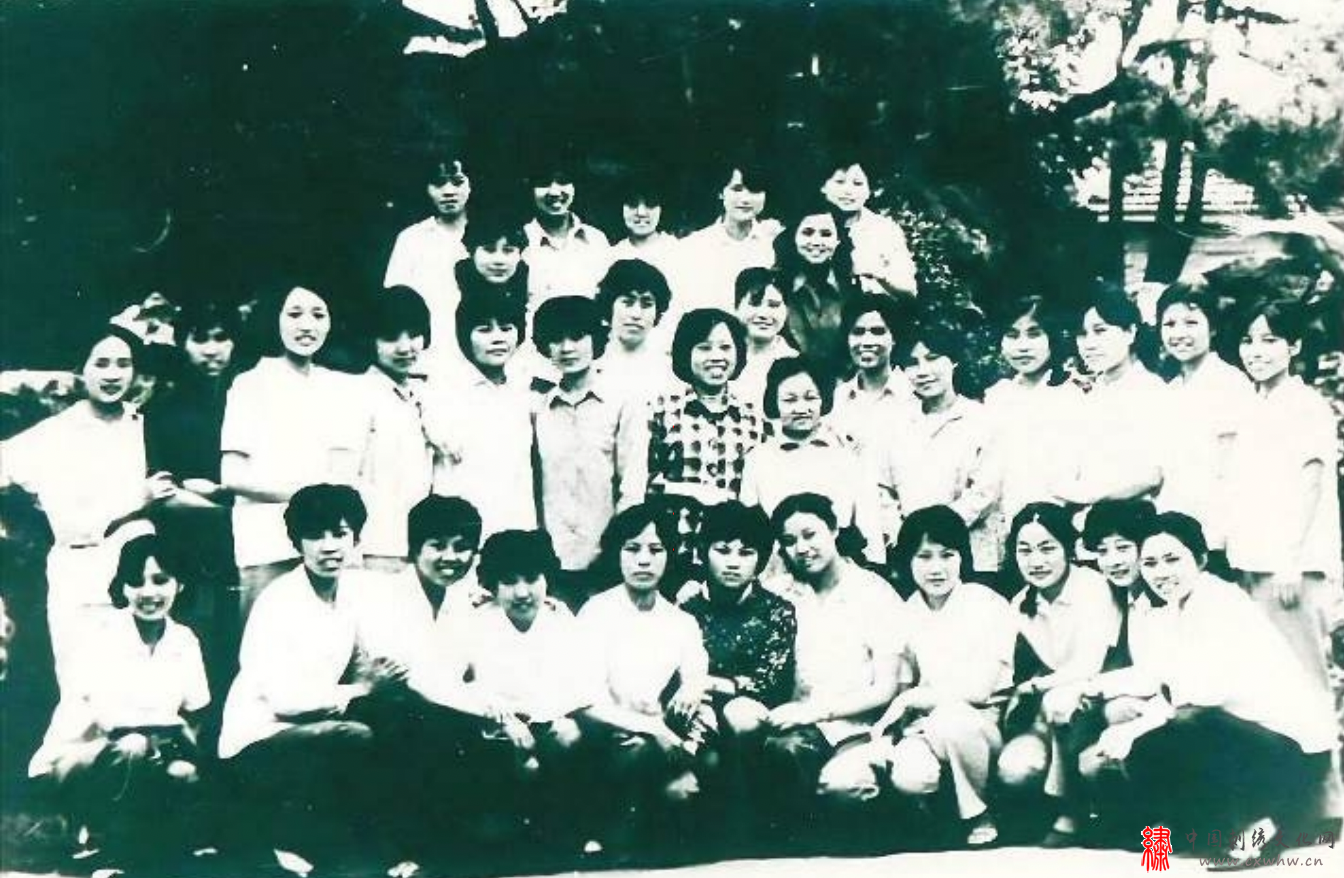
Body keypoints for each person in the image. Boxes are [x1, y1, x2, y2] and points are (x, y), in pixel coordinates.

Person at [1073, 513, 1336, 862]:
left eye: (1172, 559)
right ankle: (1200, 828)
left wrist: (1130, 731)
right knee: (1157, 739)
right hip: (1244, 738)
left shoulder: (1220, 602)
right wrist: (1090, 687)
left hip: (1292, 751)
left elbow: (1204, 695)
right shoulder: (1175, 607)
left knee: (1184, 726)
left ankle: (1260, 824)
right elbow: (1156, 674)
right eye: (1150, 563)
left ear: (1199, 559)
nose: (1161, 572)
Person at [218, 485, 395, 871]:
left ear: (356, 538)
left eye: (340, 533)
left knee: (395, 717)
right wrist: (362, 688)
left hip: (311, 731)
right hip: (259, 741)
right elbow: (285, 700)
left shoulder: (349, 595)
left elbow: (375, 656)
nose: (329, 546)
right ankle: (349, 859)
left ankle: (395, 852)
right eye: (315, 535)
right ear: (297, 542)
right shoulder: (279, 600)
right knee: (353, 735)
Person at [0, 325, 173, 686]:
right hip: (82, 578)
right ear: (81, 368)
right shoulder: (57, 433)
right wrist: (137, 497)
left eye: (123, 364)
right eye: (102, 363)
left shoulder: (142, 425)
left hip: (140, 583)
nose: (113, 374)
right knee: (84, 692)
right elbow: (73, 525)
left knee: (141, 686)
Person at [28, 534, 210, 868]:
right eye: (135, 581)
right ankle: (96, 838)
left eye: (160, 580)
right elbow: (112, 722)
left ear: (180, 584)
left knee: (182, 770)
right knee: (131, 745)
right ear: (122, 588)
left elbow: (195, 713)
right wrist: (174, 726)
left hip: (147, 757)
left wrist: (182, 753)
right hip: (76, 761)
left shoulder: (184, 640)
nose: (148, 593)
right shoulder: (102, 634)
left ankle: (144, 845)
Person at [414, 529, 591, 845]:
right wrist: (489, 706)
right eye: (509, 581)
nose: (522, 592)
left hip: (546, 727)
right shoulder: (475, 621)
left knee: (569, 734)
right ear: (493, 585)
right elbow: (436, 680)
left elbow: (579, 684)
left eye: (532, 579)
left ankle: (557, 833)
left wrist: (538, 717)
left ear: (547, 578)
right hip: (490, 734)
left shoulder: (560, 619)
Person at [853, 506, 1016, 848]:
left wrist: (912, 698)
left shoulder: (987, 604)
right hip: (925, 724)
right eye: (924, 557)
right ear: (908, 561)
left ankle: (980, 812)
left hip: (982, 723)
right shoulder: (905, 612)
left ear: (962, 557)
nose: (936, 568)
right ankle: (937, 819)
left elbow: (979, 689)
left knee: (951, 721)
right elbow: (905, 682)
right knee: (911, 776)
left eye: (947, 555)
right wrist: (896, 723)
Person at [756, 494, 909, 831]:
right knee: (784, 752)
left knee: (845, 789)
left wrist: (817, 712)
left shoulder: (874, 592)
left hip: (861, 727)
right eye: (789, 541)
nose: (802, 548)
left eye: (810, 534)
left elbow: (885, 688)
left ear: (834, 529)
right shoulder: (778, 592)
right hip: (800, 729)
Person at [220, 284, 362, 621]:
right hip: (266, 541)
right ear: (275, 319)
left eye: (318, 315)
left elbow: (343, 470)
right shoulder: (250, 383)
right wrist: (306, 498)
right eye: (295, 314)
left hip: (325, 542)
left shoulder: (338, 387)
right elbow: (233, 475)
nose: (307, 326)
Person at [576, 505, 711, 850]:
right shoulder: (596, 612)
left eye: (656, 549)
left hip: (658, 735)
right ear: (617, 554)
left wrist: (693, 686)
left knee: (688, 788)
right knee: (637, 751)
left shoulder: (680, 621)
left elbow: (697, 670)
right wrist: (652, 729)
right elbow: (586, 702)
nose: (644, 561)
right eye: (632, 549)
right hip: (603, 738)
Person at [1224, 298, 1342, 691]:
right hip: (1254, 562)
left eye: (1269, 340)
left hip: (1292, 567)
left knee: (1306, 677)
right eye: (1248, 340)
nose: (1255, 351)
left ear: (1294, 346)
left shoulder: (1304, 405)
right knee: (1269, 682)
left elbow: (1311, 484)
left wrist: (1289, 562)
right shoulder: (1251, 405)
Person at [994, 503, 1122, 845]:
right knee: (1015, 768)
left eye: (1047, 548)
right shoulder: (1021, 602)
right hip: (1057, 704)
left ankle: (1071, 812)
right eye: (1025, 550)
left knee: (1059, 701)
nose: (1036, 561)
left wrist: (1034, 686)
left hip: (1103, 691)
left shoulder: (1093, 587)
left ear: (1069, 548)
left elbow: (1089, 665)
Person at [675, 501, 796, 840]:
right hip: (695, 711)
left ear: (761, 559)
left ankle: (748, 824)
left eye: (746, 553)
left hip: (751, 716)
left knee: (740, 714)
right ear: (704, 551)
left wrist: (707, 683)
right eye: (723, 550)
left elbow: (767, 681)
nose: (733, 562)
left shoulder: (777, 610)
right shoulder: (686, 607)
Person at [143, 302, 242, 699]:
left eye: (221, 338)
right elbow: (164, 494)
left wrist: (222, 493)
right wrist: (229, 508)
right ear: (182, 343)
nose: (212, 349)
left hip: (246, 547)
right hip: (187, 551)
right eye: (200, 339)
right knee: (196, 652)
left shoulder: (249, 399)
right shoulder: (162, 409)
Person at [530, 296, 644, 598]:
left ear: (596, 339)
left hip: (604, 560)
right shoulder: (538, 408)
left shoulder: (622, 403)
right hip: (550, 559)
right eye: (556, 339)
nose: (567, 348)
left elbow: (632, 486)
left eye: (577, 337)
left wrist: (616, 548)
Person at [739, 357, 885, 564]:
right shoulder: (758, 459)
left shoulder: (847, 455)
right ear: (774, 402)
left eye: (810, 398)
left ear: (823, 399)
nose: (801, 408)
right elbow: (749, 529)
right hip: (777, 569)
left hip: (839, 567)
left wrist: (873, 566)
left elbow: (869, 526)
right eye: (790, 400)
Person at [879, 319, 998, 572]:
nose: (923, 371)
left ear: (953, 360)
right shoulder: (896, 423)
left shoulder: (982, 420)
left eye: (933, 358)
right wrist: (905, 534)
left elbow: (984, 493)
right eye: (912, 363)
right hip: (911, 554)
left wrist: (937, 533)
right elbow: (883, 490)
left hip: (970, 554)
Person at [1153, 282, 1255, 554]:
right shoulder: (1171, 388)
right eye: (1169, 324)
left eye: (1191, 323)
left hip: (1216, 531)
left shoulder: (1228, 383)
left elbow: (1233, 471)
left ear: (1213, 327)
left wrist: (1221, 538)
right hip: (1173, 528)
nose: (1179, 333)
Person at [423, 295, 536, 535]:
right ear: (465, 336)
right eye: (484, 330)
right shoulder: (442, 392)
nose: (498, 338)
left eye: (506, 328)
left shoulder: (524, 391)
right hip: (461, 531)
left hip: (515, 526)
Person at [1054, 286, 1168, 509]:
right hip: (1085, 516)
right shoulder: (1091, 394)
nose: (1089, 344)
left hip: (1133, 515)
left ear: (1130, 332)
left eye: (1100, 330)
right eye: (1082, 334)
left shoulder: (1151, 392)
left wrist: (1084, 495)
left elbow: (1151, 475)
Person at [973, 295, 1082, 525]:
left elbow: (1074, 477)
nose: (1022, 346)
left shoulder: (1072, 396)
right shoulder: (998, 396)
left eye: (1034, 334)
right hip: (1006, 524)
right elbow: (988, 479)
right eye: (1012, 335)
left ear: (1052, 337)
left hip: (1057, 523)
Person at [643, 308, 768, 506]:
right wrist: (693, 493)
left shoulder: (753, 419)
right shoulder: (661, 411)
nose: (717, 357)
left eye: (725, 347)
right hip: (674, 522)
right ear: (685, 353)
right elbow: (644, 482)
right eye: (704, 347)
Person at [351, 288, 435, 572]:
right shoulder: (359, 395)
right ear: (370, 340)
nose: (405, 347)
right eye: (390, 337)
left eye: (414, 334)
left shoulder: (423, 395)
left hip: (421, 546)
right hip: (375, 547)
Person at [383, 153, 471, 370]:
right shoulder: (411, 239)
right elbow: (396, 304)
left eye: (457, 182)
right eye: (439, 183)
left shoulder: (490, 239)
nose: (448, 191)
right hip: (429, 360)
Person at [773, 199, 860, 379]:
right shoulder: (775, 287)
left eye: (826, 234)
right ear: (793, 237)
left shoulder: (853, 288)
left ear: (838, 240)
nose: (816, 242)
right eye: (808, 233)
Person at [678, 164, 783, 314]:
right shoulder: (694, 246)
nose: (745, 199)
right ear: (721, 193)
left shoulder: (776, 242)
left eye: (754, 190)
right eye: (737, 189)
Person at [828, 295, 916, 458]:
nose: (867, 342)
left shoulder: (913, 394)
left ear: (894, 338)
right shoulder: (840, 396)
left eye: (877, 332)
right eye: (858, 332)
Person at [819, 159, 918, 297]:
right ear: (823, 187)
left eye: (858, 183)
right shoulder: (807, 228)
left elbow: (909, 290)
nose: (848, 191)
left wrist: (875, 272)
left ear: (869, 191)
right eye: (840, 182)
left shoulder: (885, 230)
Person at [522, 165, 612, 310]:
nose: (554, 192)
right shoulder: (521, 240)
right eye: (544, 183)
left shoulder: (596, 239)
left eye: (563, 181)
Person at [592, 258, 676, 406]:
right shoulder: (588, 363)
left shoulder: (669, 370)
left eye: (647, 304)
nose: (636, 314)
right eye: (628, 302)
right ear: (610, 305)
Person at [732, 268, 798, 409]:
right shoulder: (721, 357)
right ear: (736, 307)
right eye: (755, 303)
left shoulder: (798, 365)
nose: (763, 314)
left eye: (773, 305)